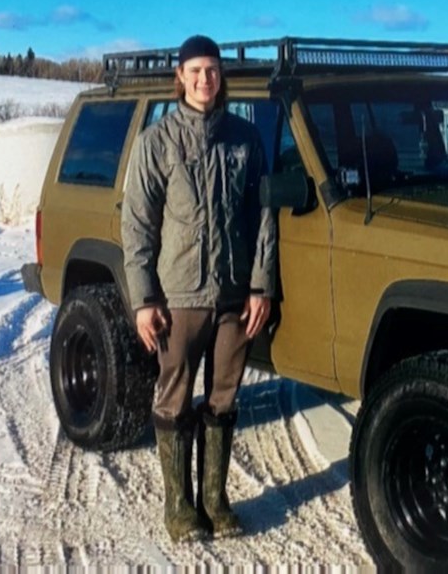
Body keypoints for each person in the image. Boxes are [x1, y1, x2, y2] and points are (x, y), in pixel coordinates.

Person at [121, 34, 277, 542]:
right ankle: (179, 507)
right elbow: (138, 227)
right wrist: (144, 300)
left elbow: (262, 216)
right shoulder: (157, 142)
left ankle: (215, 500)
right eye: (196, 71)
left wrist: (261, 285)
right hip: (179, 296)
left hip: (234, 296)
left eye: (212, 70)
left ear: (220, 77)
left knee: (224, 400)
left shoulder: (244, 139)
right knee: (174, 400)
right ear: (180, 78)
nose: (205, 79)